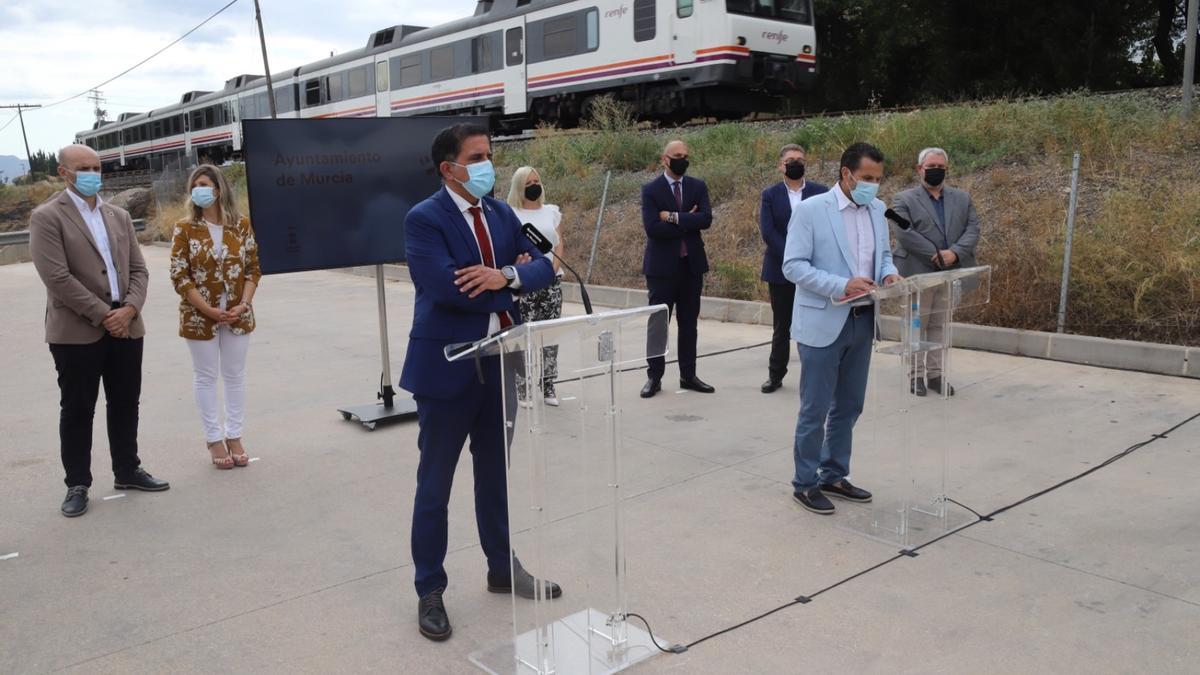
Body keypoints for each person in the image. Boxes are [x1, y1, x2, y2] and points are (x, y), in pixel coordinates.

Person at [399, 123, 560, 642]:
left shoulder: (501, 213)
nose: (488, 164)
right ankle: (430, 589)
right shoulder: (423, 219)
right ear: (449, 168)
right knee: (435, 484)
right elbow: (445, 288)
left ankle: (501, 568)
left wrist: (503, 277)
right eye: (477, 157)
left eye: (490, 155)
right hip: (447, 367)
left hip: (499, 361)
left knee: (495, 475)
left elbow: (545, 267)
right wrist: (504, 284)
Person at [29, 144, 169, 518]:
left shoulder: (118, 215)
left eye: (97, 167)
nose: (92, 173)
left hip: (127, 325)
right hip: (77, 331)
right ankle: (77, 483)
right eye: (83, 168)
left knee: (125, 402)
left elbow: (139, 270)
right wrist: (104, 314)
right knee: (78, 408)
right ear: (64, 172)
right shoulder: (47, 218)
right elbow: (56, 277)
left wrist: (130, 309)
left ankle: (127, 469)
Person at [783, 142, 901, 515]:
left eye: (878, 180)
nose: (873, 186)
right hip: (823, 320)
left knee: (849, 406)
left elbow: (881, 254)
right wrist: (841, 285)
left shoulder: (877, 209)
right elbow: (793, 266)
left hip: (863, 320)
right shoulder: (810, 211)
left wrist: (889, 273)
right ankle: (805, 483)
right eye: (866, 178)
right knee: (815, 409)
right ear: (846, 173)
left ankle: (833, 473)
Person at [169, 164, 262, 469]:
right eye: (195, 185)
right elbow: (179, 275)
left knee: (235, 375)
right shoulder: (184, 228)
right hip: (200, 315)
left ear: (219, 190)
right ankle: (213, 439)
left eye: (205, 184)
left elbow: (252, 269)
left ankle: (234, 435)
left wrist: (243, 305)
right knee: (206, 376)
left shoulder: (241, 225)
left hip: (238, 314)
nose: (199, 189)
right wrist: (207, 309)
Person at [888, 147, 981, 396]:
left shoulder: (963, 198)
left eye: (941, 167)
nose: (936, 171)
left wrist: (955, 252)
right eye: (931, 167)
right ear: (920, 169)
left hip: (950, 272)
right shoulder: (901, 199)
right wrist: (935, 253)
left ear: (946, 169)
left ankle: (936, 375)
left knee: (940, 325)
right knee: (916, 325)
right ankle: (916, 375)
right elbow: (902, 232)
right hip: (917, 272)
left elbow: (973, 228)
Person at [639, 139, 715, 398]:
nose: (682, 159)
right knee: (659, 323)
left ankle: (688, 375)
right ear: (665, 159)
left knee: (688, 323)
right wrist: (688, 220)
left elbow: (705, 219)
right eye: (677, 155)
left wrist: (672, 217)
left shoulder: (697, 186)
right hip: (661, 269)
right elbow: (652, 228)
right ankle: (654, 377)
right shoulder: (651, 190)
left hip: (691, 266)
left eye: (686, 155)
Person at [759, 144, 829, 393]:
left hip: (813, 271)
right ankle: (775, 375)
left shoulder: (822, 193)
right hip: (780, 270)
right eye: (790, 160)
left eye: (800, 159)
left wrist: (808, 259)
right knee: (782, 326)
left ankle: (816, 377)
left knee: (814, 326)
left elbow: (826, 229)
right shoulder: (770, 194)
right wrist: (793, 257)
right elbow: (768, 232)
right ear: (781, 165)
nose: (796, 163)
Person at [507, 166, 564, 406]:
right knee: (523, 336)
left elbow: (560, 244)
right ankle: (523, 388)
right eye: (528, 182)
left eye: (536, 180)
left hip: (552, 281)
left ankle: (548, 385)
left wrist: (550, 270)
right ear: (519, 186)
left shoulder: (552, 211)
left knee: (549, 336)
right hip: (525, 283)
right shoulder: (510, 213)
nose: (534, 185)